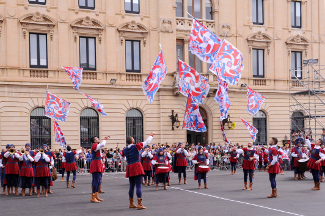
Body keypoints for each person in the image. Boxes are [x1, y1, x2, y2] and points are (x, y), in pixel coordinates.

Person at [122, 132, 155, 210]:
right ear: (132, 141)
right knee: (139, 185)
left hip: (129, 166)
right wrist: (151, 135)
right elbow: (147, 142)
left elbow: (122, 158)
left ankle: (131, 203)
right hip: (136, 165)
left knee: (131, 186)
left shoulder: (125, 149)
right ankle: (139, 204)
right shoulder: (136, 146)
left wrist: (129, 160)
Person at [90, 136, 109, 203]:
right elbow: (103, 144)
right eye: (97, 138)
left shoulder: (96, 145)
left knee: (97, 180)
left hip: (97, 163)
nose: (98, 139)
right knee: (96, 180)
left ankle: (96, 195)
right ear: (95, 141)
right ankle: (93, 196)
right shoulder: (95, 145)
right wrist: (105, 139)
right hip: (96, 163)